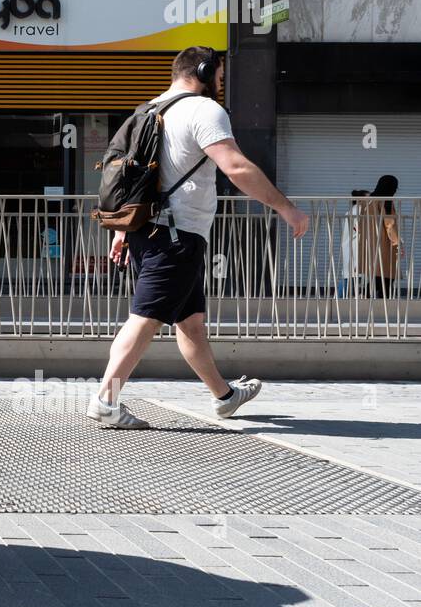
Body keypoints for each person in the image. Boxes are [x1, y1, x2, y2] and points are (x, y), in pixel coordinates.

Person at [88, 46, 311, 429]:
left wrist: (127, 229)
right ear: (205, 71)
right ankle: (106, 400)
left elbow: (142, 177)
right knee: (144, 318)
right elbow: (236, 167)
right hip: (176, 236)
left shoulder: (150, 108)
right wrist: (284, 207)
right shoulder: (205, 110)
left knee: (190, 323)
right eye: (220, 76)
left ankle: (224, 396)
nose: (221, 84)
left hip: (153, 231)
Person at [358, 174, 401, 299]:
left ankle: (365, 296)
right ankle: (382, 306)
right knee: (386, 277)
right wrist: (398, 243)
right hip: (384, 245)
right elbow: (390, 225)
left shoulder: (367, 202)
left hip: (369, 243)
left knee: (378, 276)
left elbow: (360, 224)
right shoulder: (385, 201)